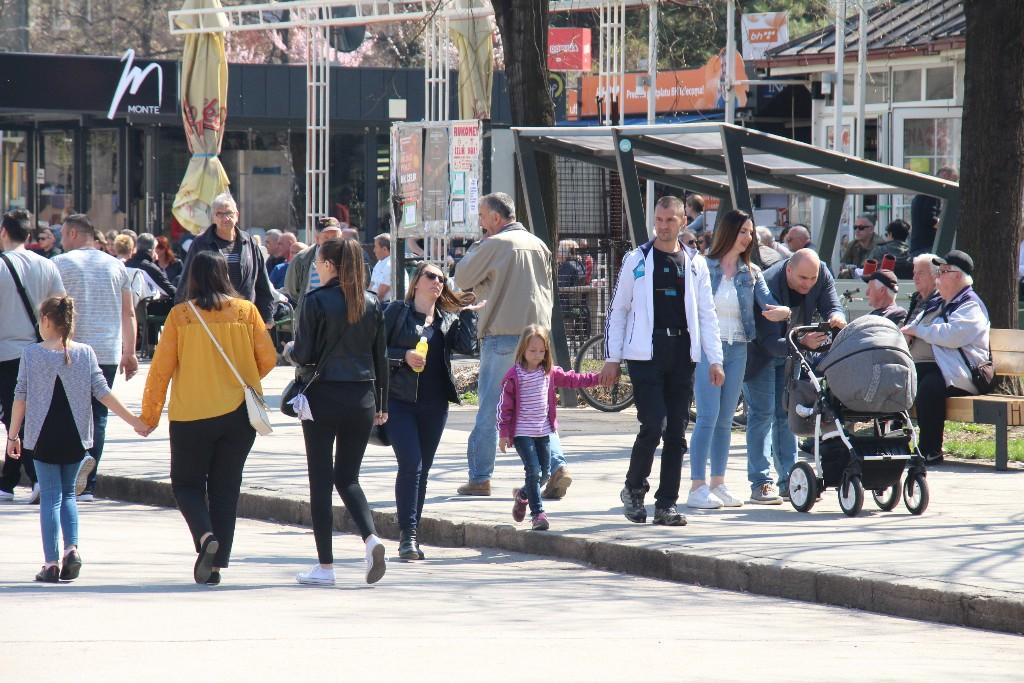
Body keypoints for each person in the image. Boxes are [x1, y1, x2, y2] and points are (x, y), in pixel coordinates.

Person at [140, 251, 277, 585]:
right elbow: (269, 358)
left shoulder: (180, 316)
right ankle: (216, 564)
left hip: (192, 414)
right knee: (225, 488)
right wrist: (244, 378)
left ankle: (205, 538)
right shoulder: (247, 311)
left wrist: (150, 415)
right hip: (239, 415)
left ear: (194, 277)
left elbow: (161, 371)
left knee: (186, 483)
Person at [601, 195, 724, 526]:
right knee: (653, 423)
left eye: (671, 219)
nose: (664, 225)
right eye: (660, 219)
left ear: (683, 221)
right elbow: (619, 308)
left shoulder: (695, 264)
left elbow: (707, 314)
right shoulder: (637, 259)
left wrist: (715, 359)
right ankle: (634, 488)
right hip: (646, 353)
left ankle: (667, 503)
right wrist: (612, 357)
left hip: (683, 353)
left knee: (677, 432)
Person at [6, 296, 147, 583]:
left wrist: (12, 436)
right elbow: (102, 392)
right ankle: (72, 549)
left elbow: (20, 398)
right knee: (69, 494)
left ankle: (50, 563)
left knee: (50, 497)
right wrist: (134, 421)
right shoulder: (85, 353)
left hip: (43, 435)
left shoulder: (32, 354)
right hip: (76, 434)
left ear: (46, 320)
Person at [453, 192, 573, 499]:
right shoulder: (539, 244)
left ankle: (480, 477)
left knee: (491, 407)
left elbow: (462, 276)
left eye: (482, 217)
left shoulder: (494, 244)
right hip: (538, 338)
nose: (480, 223)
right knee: (539, 408)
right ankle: (557, 465)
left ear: (495, 217)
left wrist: (478, 247)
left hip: (502, 335)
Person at [286, 238, 389, 587]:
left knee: (320, 481)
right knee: (349, 477)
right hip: (362, 398)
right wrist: (383, 405)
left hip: (322, 396)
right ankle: (371, 538)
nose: (315, 266)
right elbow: (381, 360)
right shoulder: (372, 302)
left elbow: (303, 353)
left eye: (318, 261)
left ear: (329, 264)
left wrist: (289, 349)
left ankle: (326, 567)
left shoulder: (316, 301)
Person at [688, 210, 790, 510]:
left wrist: (784, 312)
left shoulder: (752, 272)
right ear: (729, 232)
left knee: (724, 419)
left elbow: (768, 302)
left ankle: (718, 483)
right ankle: (697, 486)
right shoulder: (703, 266)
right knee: (707, 416)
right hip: (710, 348)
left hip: (739, 348)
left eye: (750, 232)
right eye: (744, 231)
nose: (749, 238)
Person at [384, 262, 478, 560]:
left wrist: (467, 314)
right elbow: (372, 351)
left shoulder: (445, 319)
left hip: (435, 405)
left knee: (421, 471)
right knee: (410, 465)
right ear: (416, 282)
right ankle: (407, 538)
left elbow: (467, 346)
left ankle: (412, 534)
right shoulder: (396, 313)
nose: (438, 282)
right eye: (431, 276)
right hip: (400, 402)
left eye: (442, 279)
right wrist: (403, 356)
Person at [744, 248, 845, 503]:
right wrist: (804, 343)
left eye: (812, 279)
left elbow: (833, 305)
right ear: (789, 269)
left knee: (787, 414)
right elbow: (768, 341)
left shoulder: (819, 272)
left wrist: (836, 316)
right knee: (762, 414)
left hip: (795, 349)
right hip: (762, 354)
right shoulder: (768, 282)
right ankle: (761, 482)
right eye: (803, 279)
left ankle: (790, 480)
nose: (808, 284)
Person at [53, 214, 138, 501]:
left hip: (71, 349)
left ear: (75, 234)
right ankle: (89, 483)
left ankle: (73, 473)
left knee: (68, 413)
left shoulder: (61, 264)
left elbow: (53, 311)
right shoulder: (116, 266)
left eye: (63, 235)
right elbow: (128, 312)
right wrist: (130, 352)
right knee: (98, 414)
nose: (61, 241)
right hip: (107, 350)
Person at [499, 325, 602, 531]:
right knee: (534, 472)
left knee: (545, 474)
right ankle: (538, 514)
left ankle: (522, 496)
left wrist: (599, 378)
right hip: (522, 433)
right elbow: (504, 407)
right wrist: (503, 434)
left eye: (541, 351)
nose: (537, 355)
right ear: (522, 350)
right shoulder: (514, 375)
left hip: (543, 431)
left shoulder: (549, 372)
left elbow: (573, 379)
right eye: (532, 350)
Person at [0, 209, 66, 504]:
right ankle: (10, 480)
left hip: (6, 353)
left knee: (16, 419)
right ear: (28, 236)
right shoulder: (46, 266)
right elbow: (61, 309)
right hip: (39, 351)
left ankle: (34, 477)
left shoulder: (1, 266)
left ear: (3, 232)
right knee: (25, 417)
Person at [901, 250, 990, 463]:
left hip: (966, 375)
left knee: (929, 388)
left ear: (958, 276)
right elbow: (915, 327)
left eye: (943, 270)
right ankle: (895, 444)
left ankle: (930, 450)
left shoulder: (970, 303)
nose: (938, 275)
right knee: (900, 380)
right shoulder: (940, 302)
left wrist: (919, 331)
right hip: (943, 369)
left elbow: (953, 334)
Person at [174, 192, 275, 329]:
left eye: (229, 213)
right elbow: (187, 281)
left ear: (237, 215)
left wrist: (267, 317)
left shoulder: (249, 243)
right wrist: (182, 317)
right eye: (219, 214)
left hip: (243, 318)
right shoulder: (201, 243)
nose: (225, 218)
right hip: (210, 319)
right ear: (213, 217)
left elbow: (262, 282)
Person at [283, 216, 342, 324]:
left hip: (340, 318)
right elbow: (292, 290)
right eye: (326, 237)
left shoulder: (349, 258)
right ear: (317, 238)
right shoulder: (301, 259)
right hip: (309, 318)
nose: (331, 241)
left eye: (335, 237)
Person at [910, 167, 958, 256]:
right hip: (926, 247)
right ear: (944, 175)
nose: (953, 184)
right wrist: (947, 225)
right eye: (953, 180)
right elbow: (930, 219)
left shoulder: (923, 193)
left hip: (918, 245)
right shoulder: (932, 194)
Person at [127, 233, 177, 300]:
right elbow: (169, 290)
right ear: (151, 250)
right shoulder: (148, 267)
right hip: (142, 308)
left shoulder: (127, 263)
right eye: (155, 249)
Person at [906, 253, 942, 323]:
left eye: (920, 273)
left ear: (935, 275)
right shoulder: (916, 299)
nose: (915, 277)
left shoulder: (941, 301)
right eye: (914, 273)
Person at [370, 232, 393, 302]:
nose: (374, 250)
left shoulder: (390, 265)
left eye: (376, 247)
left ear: (384, 249)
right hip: (377, 302)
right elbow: (371, 285)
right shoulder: (380, 263)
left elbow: (381, 294)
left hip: (387, 305)